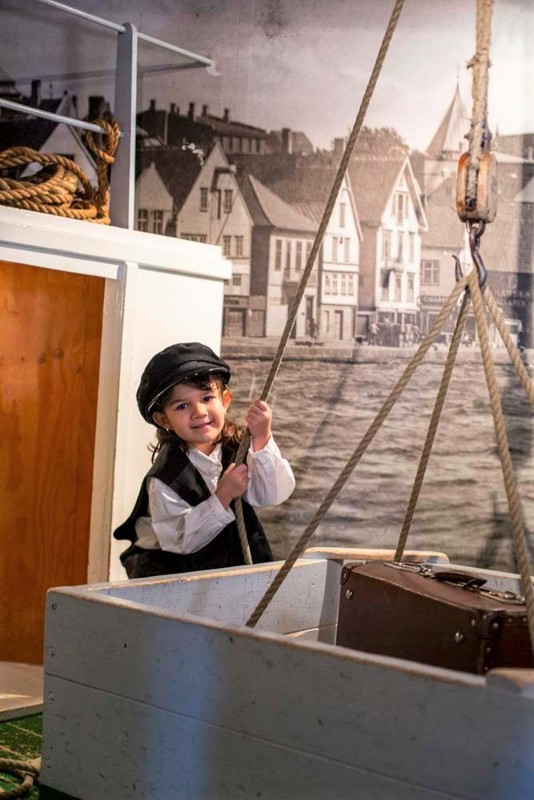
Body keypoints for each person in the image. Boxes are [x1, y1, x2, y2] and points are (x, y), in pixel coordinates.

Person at [114, 342, 295, 579]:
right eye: (182, 405)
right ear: (163, 419)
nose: (199, 411)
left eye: (207, 398)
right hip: (181, 577)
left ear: (225, 400)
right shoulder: (165, 478)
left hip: (234, 566)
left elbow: (272, 494)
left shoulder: (239, 449)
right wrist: (223, 496)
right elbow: (180, 539)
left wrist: (262, 438)